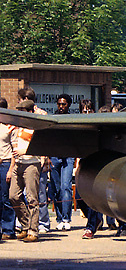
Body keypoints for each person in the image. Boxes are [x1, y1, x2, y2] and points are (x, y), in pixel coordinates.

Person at [10, 99, 43, 241]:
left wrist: (25, 150)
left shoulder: (36, 127)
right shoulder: (18, 127)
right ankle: (25, 224)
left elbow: (42, 146)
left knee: (31, 197)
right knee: (13, 195)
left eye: (23, 112)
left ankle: (33, 230)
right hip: (18, 163)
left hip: (31, 163)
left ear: (30, 112)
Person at [49, 94, 75, 230]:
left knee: (66, 186)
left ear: (69, 105)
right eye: (59, 104)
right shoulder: (52, 119)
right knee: (57, 188)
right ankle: (59, 218)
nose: (61, 106)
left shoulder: (72, 120)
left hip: (68, 157)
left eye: (64, 104)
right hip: (54, 157)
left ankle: (66, 218)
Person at [0, 98, 15, 241]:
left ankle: (8, 229)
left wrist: (11, 169)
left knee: (6, 198)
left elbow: (14, 150)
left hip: (5, 163)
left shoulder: (9, 127)